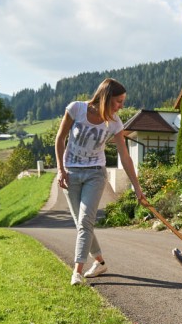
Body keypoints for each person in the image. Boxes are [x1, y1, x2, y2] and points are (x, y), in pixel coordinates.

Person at [55, 78, 146, 286]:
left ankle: (76, 272)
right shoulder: (76, 109)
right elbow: (60, 139)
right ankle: (100, 262)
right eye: (118, 101)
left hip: (95, 173)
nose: (121, 106)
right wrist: (60, 169)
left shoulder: (115, 123)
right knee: (81, 224)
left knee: (86, 221)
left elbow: (125, 157)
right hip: (71, 172)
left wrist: (137, 188)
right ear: (105, 98)